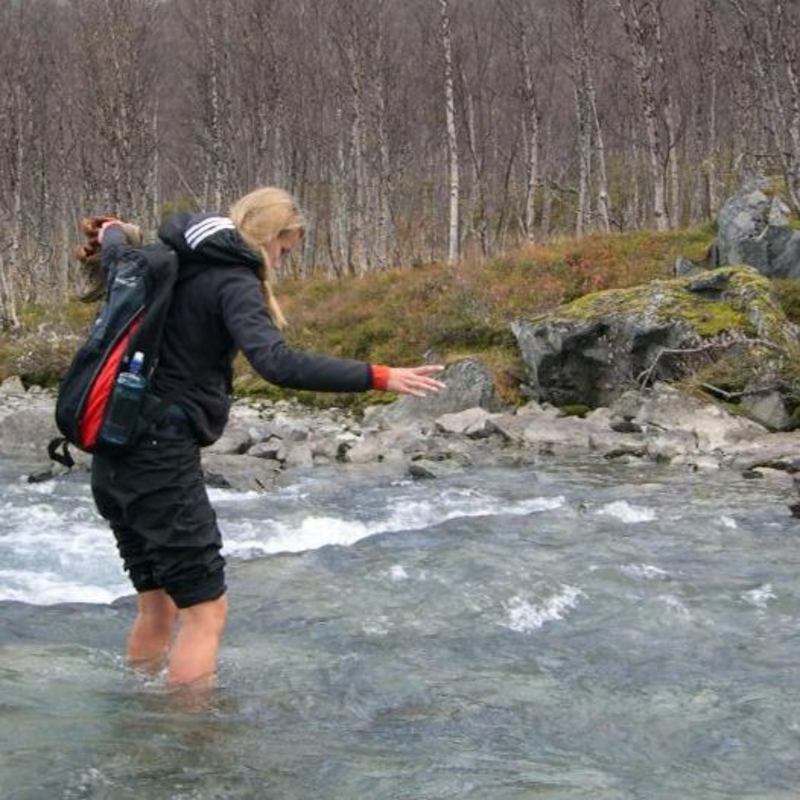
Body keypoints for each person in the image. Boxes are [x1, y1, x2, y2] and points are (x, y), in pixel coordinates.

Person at [88, 187, 445, 688]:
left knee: (158, 608)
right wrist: (378, 375)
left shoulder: (171, 256)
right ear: (272, 236)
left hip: (113, 449)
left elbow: (117, 248)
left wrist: (110, 231)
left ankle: (139, 727)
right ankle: (191, 746)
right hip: (159, 457)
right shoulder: (233, 280)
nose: (282, 262)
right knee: (205, 613)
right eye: (286, 251)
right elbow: (275, 363)